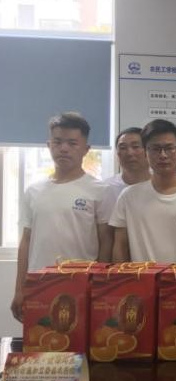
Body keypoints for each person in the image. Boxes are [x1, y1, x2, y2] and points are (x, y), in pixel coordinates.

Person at [12, 112, 113, 321]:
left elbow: (106, 241)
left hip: (83, 285)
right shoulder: (33, 191)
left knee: (80, 339)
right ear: (49, 145)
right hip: (39, 285)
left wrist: (100, 284)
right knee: (41, 339)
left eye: (72, 143)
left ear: (86, 149)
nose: (64, 148)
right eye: (57, 142)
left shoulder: (100, 190)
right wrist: (19, 288)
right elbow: (26, 242)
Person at [110, 119, 176, 263]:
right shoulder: (128, 196)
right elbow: (120, 246)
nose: (163, 155)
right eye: (155, 149)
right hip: (141, 276)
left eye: (169, 148)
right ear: (146, 153)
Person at [105, 127, 150, 205]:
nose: (129, 153)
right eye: (123, 148)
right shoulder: (105, 188)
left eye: (135, 147)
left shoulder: (161, 187)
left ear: (149, 150)